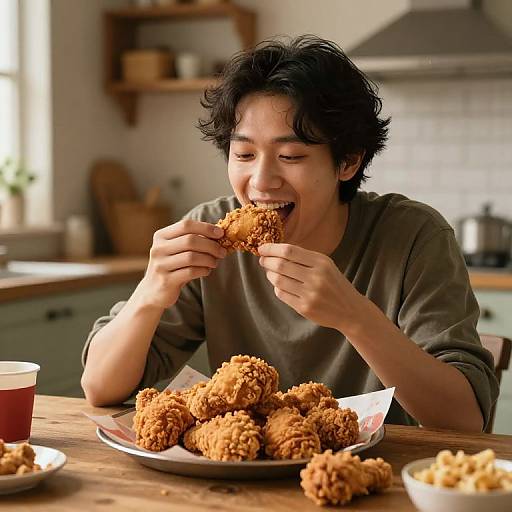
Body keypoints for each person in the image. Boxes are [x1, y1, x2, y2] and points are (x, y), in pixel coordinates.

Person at [81, 35, 498, 432]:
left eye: (291, 155)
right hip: (238, 481)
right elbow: (100, 387)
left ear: (348, 162)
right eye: (243, 154)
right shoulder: (210, 235)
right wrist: (151, 292)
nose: (261, 181)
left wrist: (355, 316)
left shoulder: (413, 236)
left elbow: (464, 419)